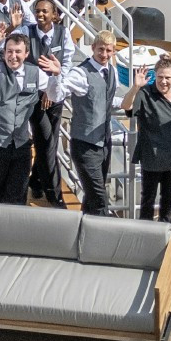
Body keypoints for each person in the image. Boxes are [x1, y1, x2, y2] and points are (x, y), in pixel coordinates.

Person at [0, 22, 56, 204]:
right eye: (9, 51)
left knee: (18, 196)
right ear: (4, 53)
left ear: (26, 54)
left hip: (21, 145)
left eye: (18, 52)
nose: (13, 56)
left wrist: (57, 75)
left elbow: (56, 93)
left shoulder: (36, 73)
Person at [42, 30, 120, 216]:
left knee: (92, 196)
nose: (104, 54)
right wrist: (56, 75)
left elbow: (109, 101)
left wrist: (133, 98)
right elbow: (56, 95)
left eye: (109, 51)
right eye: (101, 49)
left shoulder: (112, 72)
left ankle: (84, 232)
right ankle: (106, 237)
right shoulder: (80, 73)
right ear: (93, 48)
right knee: (100, 198)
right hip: (84, 144)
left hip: (104, 143)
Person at [122, 55, 171, 223]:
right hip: (151, 156)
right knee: (148, 199)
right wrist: (135, 87)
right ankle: (145, 233)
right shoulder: (145, 93)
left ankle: (165, 231)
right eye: (160, 77)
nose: (164, 81)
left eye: (168, 77)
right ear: (155, 76)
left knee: (169, 197)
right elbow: (126, 106)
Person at [27, 0, 75, 206]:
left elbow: (67, 63)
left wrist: (54, 87)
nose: (40, 15)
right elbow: (23, 64)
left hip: (56, 94)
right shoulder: (26, 33)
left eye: (45, 11)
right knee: (46, 143)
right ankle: (54, 194)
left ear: (54, 14)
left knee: (49, 142)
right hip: (35, 96)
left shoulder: (64, 34)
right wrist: (44, 88)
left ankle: (35, 181)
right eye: (37, 11)